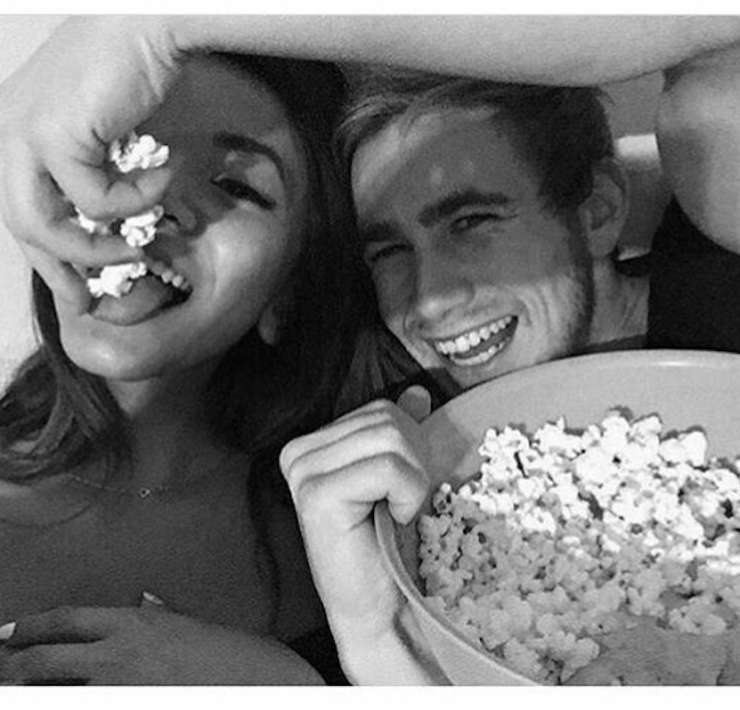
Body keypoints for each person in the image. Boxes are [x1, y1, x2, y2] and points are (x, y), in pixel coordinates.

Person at [2, 16, 740, 684]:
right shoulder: (385, 466)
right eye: (385, 252)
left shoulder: (712, 285)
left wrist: (155, 22)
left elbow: (713, 40)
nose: (432, 299)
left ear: (600, 208)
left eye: (472, 221)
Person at [0, 49, 362, 684]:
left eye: (235, 186)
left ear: (292, 282)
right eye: (126, 154)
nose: (153, 201)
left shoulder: (359, 535)